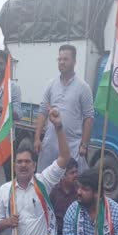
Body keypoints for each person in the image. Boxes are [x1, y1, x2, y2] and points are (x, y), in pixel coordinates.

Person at [34, 44, 94, 172]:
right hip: (50, 144)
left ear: (74, 61)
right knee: (45, 182)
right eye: (59, 59)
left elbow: (89, 118)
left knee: (71, 183)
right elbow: (42, 112)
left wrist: (84, 144)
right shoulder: (51, 85)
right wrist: (37, 138)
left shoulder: (83, 88)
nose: (61, 62)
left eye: (65, 59)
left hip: (72, 145)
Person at [50, 158, 79, 235]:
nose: (76, 175)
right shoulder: (54, 191)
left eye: (76, 172)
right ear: (63, 175)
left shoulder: (79, 192)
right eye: (72, 173)